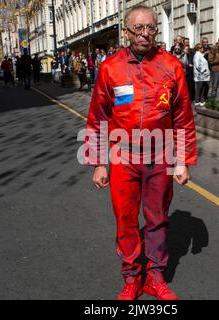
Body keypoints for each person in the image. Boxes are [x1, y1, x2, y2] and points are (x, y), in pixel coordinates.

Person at [84, 4, 197, 300]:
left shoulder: (171, 66)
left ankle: (155, 276)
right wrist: (99, 163)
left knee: (158, 216)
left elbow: (183, 116)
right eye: (139, 28)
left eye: (151, 28)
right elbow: (98, 118)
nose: (146, 34)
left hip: (161, 153)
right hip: (123, 155)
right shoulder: (110, 68)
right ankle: (132, 276)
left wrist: (183, 161)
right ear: (126, 32)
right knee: (125, 217)